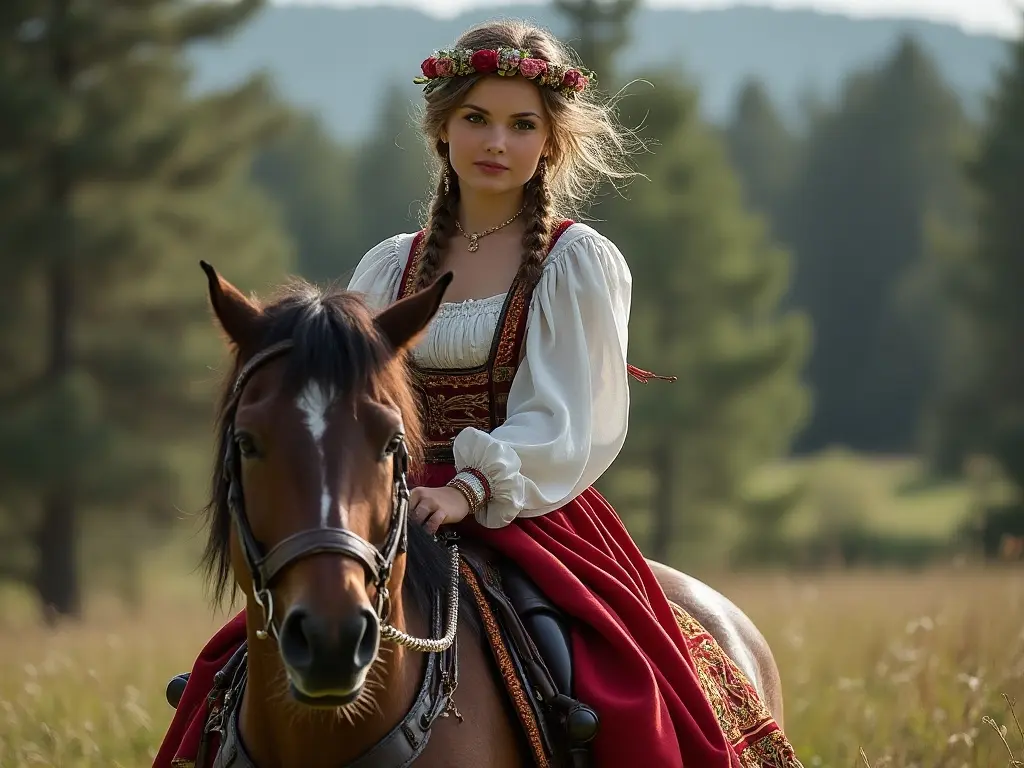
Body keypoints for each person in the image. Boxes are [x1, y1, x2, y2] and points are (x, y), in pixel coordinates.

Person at [156, 18, 800, 768]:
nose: (497, 142)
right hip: (385, 497)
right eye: (477, 119)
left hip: (526, 507)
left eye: (522, 125)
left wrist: (467, 489)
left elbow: (570, 418)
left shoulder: (574, 260)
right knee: (235, 660)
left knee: (606, 678)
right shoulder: (390, 266)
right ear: (442, 129)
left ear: (550, 142)